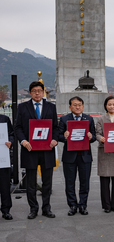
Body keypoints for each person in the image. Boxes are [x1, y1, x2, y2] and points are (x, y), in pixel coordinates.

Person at [14, 81, 58, 219]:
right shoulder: (22, 107)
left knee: (47, 182)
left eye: (39, 90)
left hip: (47, 149)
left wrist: (55, 139)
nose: (37, 93)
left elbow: (56, 127)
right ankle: (33, 208)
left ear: (43, 92)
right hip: (30, 149)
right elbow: (17, 127)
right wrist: (23, 141)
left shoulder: (51, 107)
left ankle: (46, 208)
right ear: (30, 92)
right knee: (31, 183)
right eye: (34, 91)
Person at [58, 96, 96, 215]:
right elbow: (58, 136)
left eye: (79, 104)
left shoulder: (89, 119)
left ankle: (83, 205)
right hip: (70, 156)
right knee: (70, 182)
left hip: (85, 156)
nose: (77, 107)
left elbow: (94, 137)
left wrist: (91, 137)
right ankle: (72, 205)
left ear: (83, 107)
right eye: (74, 105)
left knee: (85, 182)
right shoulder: (64, 119)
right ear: (70, 107)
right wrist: (64, 136)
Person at [0, 114, 14, 220]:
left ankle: (6, 210)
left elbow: (12, 134)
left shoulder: (4, 119)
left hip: (3, 157)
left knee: (5, 185)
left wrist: (10, 141)